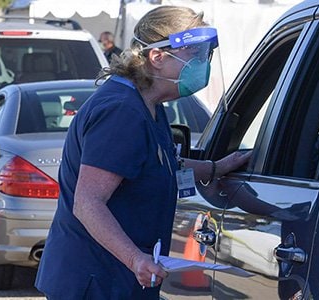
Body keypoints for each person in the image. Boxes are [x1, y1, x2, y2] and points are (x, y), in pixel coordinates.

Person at [35, 6, 251, 299]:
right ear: (158, 57)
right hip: (96, 281)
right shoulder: (122, 111)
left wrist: (215, 168)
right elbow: (87, 203)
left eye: (206, 53)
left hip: (117, 279)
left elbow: (157, 163)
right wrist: (135, 259)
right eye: (195, 54)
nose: (203, 63)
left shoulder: (149, 104)